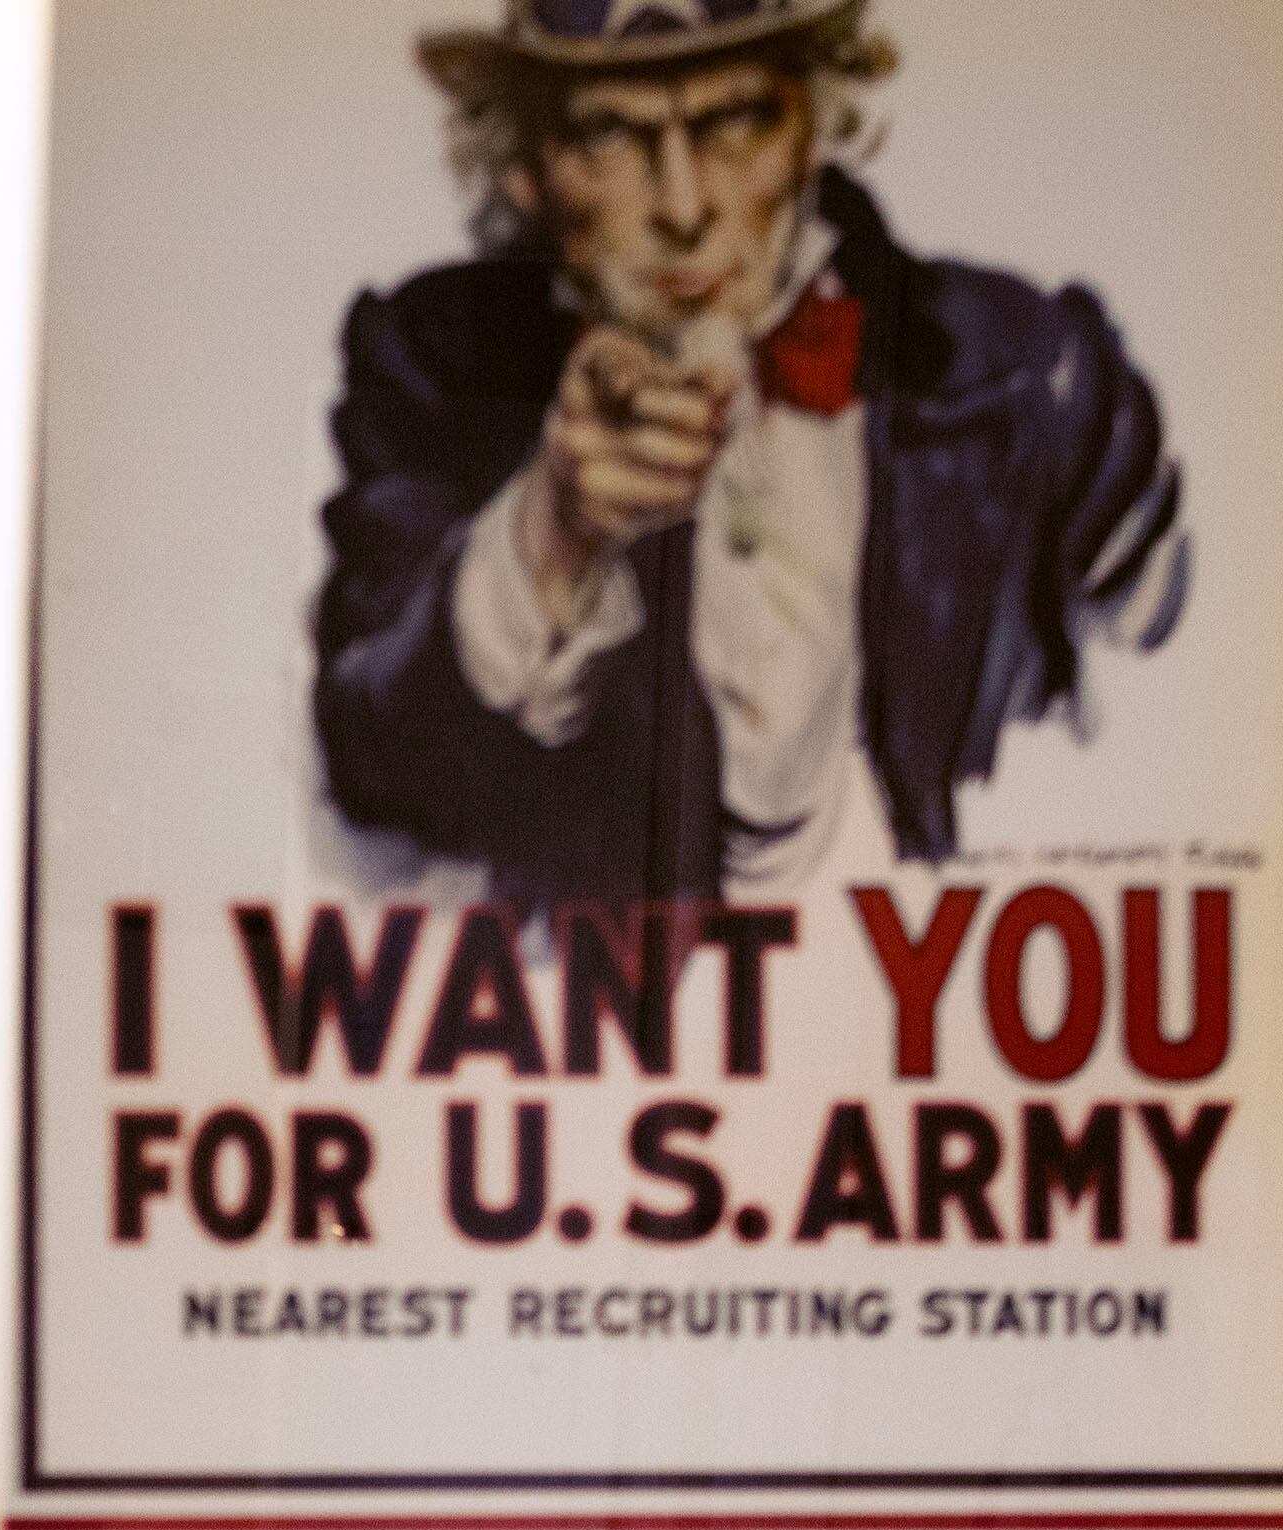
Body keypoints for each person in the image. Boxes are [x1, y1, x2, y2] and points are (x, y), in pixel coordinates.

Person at [312, 0, 1188, 906]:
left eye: (736, 119)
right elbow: (371, 768)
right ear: (526, 168)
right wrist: (555, 531)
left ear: (818, 119)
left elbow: (1165, 740)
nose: (685, 207)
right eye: (611, 134)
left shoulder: (1033, 371)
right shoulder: (433, 364)